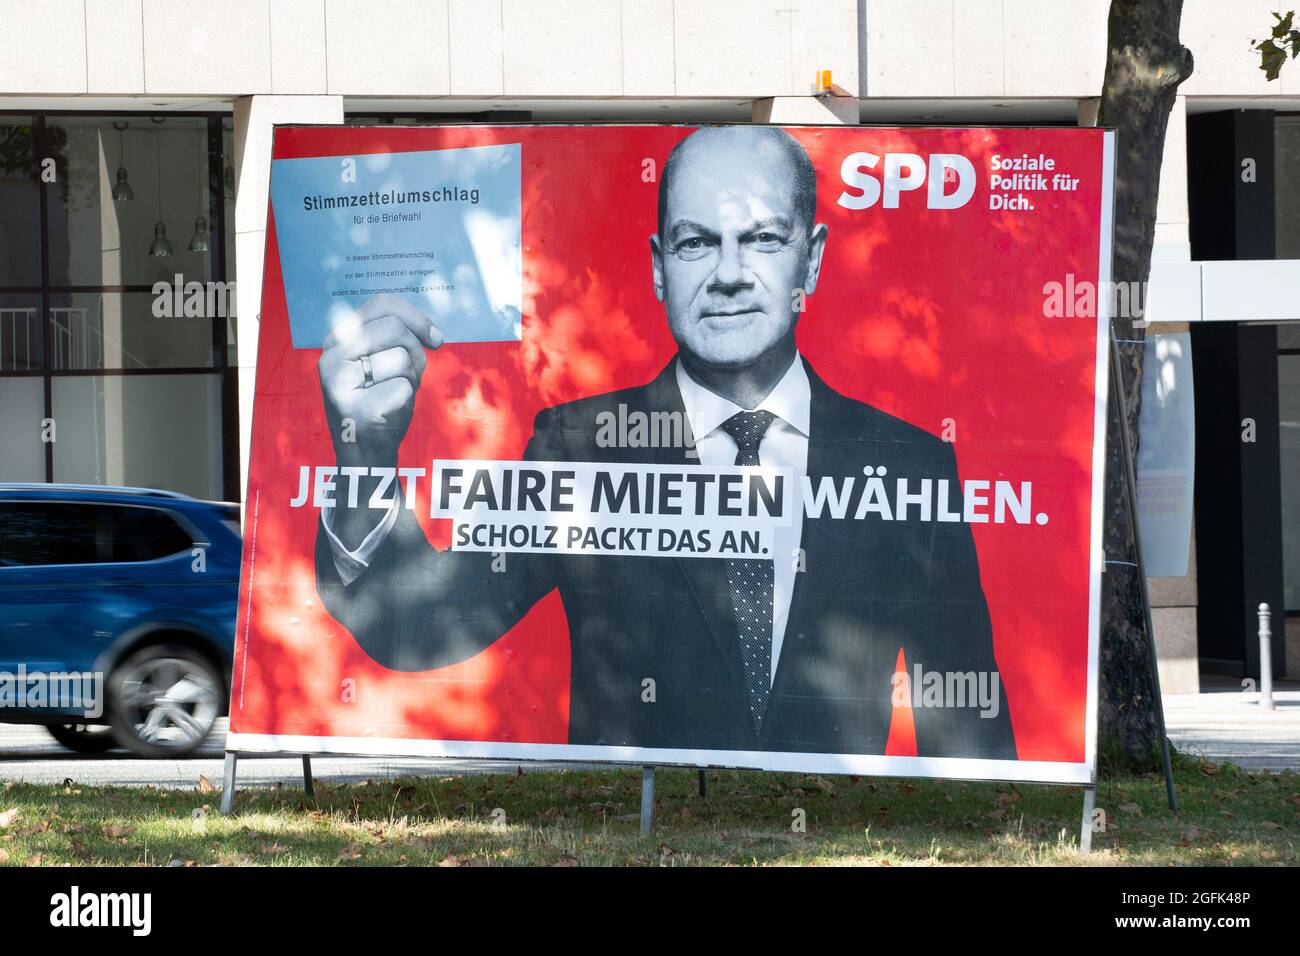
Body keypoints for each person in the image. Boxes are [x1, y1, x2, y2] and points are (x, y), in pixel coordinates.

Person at [314, 126, 1016, 759]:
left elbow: (967, 731)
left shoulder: (909, 462)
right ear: (659, 266)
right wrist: (365, 462)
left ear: (812, 259)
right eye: (697, 241)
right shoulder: (578, 449)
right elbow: (424, 627)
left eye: (765, 239)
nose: (731, 273)